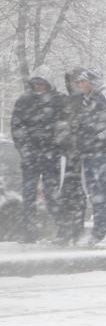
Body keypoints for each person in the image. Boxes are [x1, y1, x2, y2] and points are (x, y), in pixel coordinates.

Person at [11, 67, 65, 243]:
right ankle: (29, 231)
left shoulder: (58, 101)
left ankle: (60, 229)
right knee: (28, 194)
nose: (39, 86)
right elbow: (17, 127)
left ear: (49, 84)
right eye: (36, 83)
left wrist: (56, 146)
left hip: (51, 155)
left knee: (52, 193)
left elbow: (64, 125)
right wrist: (25, 149)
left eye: (42, 83)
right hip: (31, 156)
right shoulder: (24, 101)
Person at [75, 68, 106, 248]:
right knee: (94, 193)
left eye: (82, 81)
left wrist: (97, 138)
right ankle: (99, 230)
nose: (79, 85)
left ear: (91, 82)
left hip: (103, 152)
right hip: (89, 153)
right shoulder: (88, 100)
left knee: (105, 191)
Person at [53, 67, 88, 245]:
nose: (75, 85)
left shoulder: (87, 102)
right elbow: (60, 126)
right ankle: (65, 230)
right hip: (67, 156)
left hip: (80, 156)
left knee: (78, 194)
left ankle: (75, 230)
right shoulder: (67, 102)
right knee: (66, 193)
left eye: (78, 81)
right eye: (73, 82)